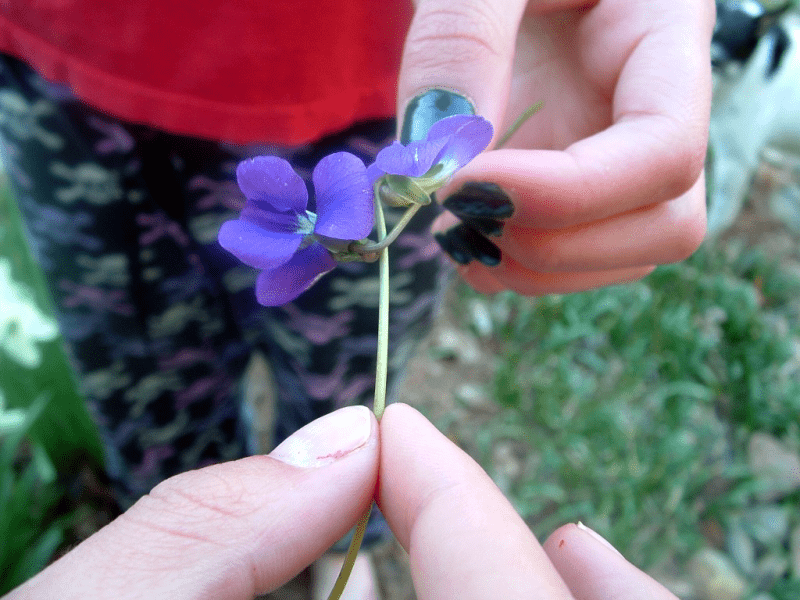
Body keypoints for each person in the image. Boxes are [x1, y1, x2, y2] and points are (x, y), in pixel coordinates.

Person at [0, 0, 715, 596]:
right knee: (148, 375)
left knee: (343, 386)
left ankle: (340, 538)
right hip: (67, 71)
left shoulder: (360, 198)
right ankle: (187, 533)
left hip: (375, 85)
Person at [1, 403, 683, 600]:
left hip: (353, 104)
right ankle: (226, 560)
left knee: (342, 395)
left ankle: (336, 552)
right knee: (161, 396)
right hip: (84, 96)